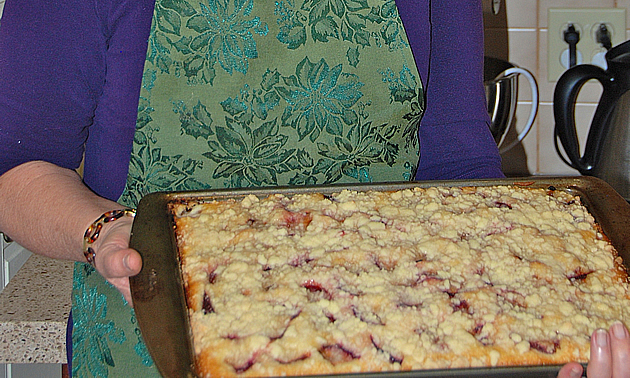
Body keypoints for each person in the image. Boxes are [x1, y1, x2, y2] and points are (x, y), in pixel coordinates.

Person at [0, 0, 628, 377]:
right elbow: (17, 168)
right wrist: (105, 234)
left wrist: (529, 325)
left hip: (384, 342)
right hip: (153, 343)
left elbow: (457, 166)